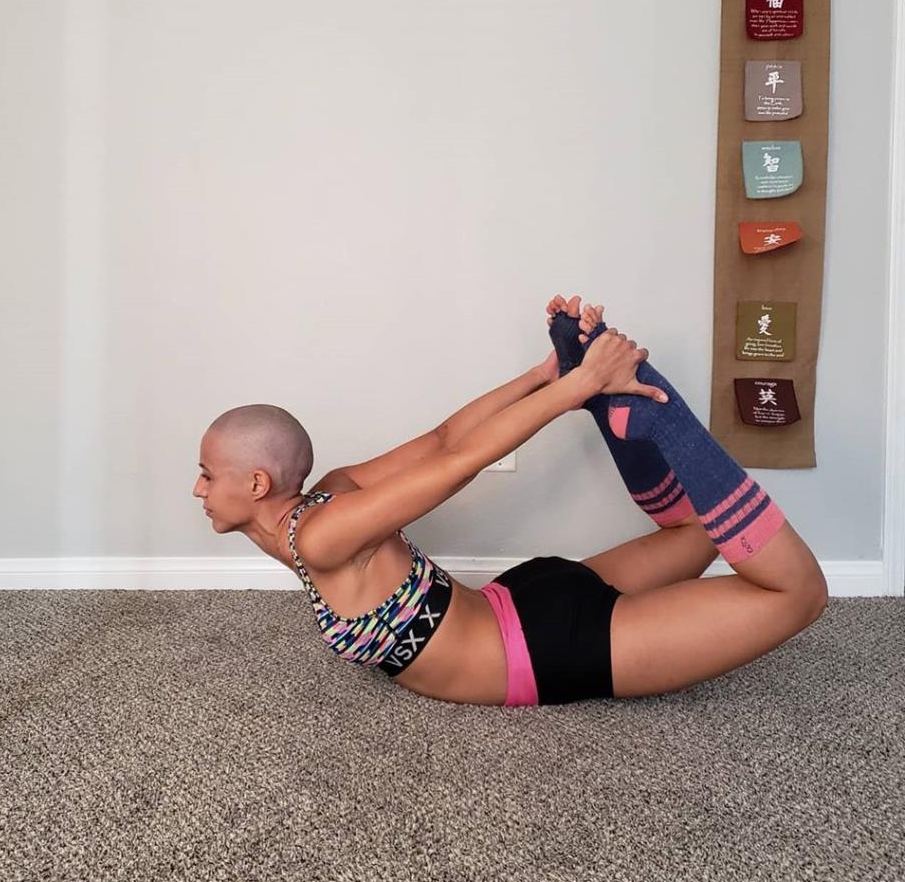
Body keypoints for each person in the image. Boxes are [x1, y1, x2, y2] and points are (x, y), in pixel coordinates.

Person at [192, 294, 828, 707]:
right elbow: (443, 438)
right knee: (695, 531)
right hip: (523, 599)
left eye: (207, 475)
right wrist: (548, 377)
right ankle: (617, 415)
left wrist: (574, 382)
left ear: (256, 485)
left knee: (798, 595)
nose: (198, 489)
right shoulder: (330, 493)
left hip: (542, 650)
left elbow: (456, 460)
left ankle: (663, 422)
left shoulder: (321, 535)